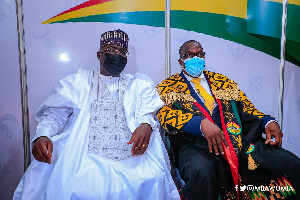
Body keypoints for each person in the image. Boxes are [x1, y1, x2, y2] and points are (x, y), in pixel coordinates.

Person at [13, 29, 179, 200]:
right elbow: (55, 116)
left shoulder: (138, 83)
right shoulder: (78, 82)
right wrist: (43, 134)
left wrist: (146, 124)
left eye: (122, 52)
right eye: (112, 50)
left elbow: (148, 112)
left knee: (149, 179)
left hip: (131, 152)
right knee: (75, 184)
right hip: (82, 152)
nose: (117, 55)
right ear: (99, 55)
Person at [156, 40, 300, 200]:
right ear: (181, 60)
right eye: (190, 55)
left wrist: (268, 122)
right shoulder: (168, 86)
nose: (196, 58)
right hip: (195, 145)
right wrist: (200, 124)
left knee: (287, 161)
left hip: (237, 140)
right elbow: (164, 114)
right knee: (202, 170)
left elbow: (247, 108)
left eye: (200, 54)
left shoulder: (222, 81)